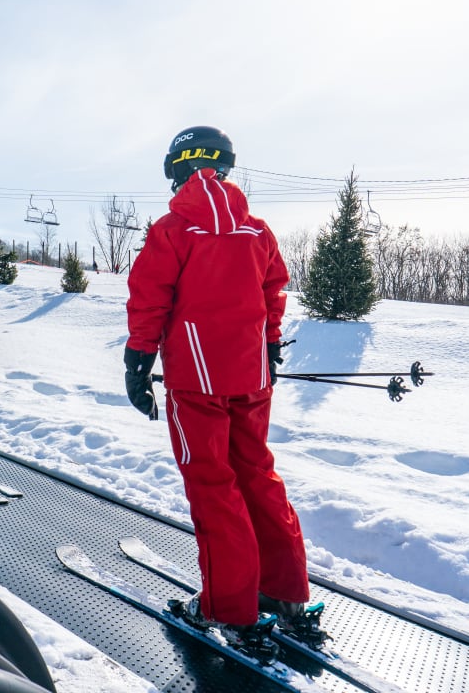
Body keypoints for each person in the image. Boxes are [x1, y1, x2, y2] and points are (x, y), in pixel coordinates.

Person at [124, 126, 316, 652]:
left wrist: (138, 362)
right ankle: (282, 591)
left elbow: (149, 298)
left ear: (177, 169)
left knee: (213, 485)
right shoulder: (256, 230)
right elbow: (273, 290)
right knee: (256, 472)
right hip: (250, 376)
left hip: (196, 379)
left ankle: (230, 610)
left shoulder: (173, 230)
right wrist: (269, 346)